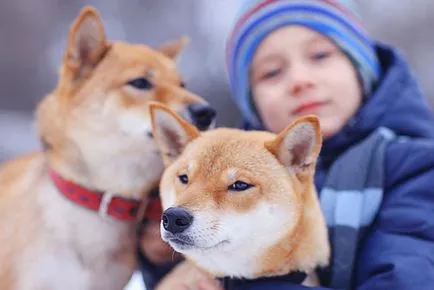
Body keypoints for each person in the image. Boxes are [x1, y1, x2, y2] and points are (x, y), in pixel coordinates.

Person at [139, 0, 434, 289]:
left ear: (360, 67)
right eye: (272, 72)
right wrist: (165, 261)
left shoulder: (417, 169)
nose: (299, 80)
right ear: (252, 100)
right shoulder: (225, 154)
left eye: (319, 55)